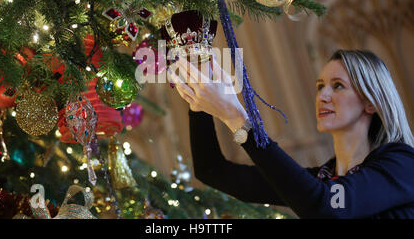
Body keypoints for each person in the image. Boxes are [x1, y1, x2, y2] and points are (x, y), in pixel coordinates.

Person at [168, 49, 414, 219]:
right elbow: (212, 171)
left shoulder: (402, 164)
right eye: (320, 86)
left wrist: (238, 120)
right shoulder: (322, 180)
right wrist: (198, 100)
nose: (322, 96)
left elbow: (327, 207)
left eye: (338, 85)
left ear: (371, 102)